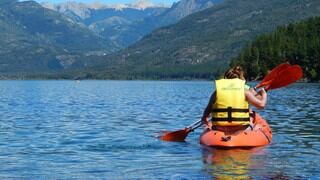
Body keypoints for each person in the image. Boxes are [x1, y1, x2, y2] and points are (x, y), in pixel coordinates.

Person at [201, 66, 267, 134]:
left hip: (219, 129)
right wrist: (264, 94)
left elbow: (207, 112)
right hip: (240, 128)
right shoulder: (245, 91)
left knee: (206, 127)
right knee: (256, 124)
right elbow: (261, 105)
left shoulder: (216, 92)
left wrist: (205, 119)